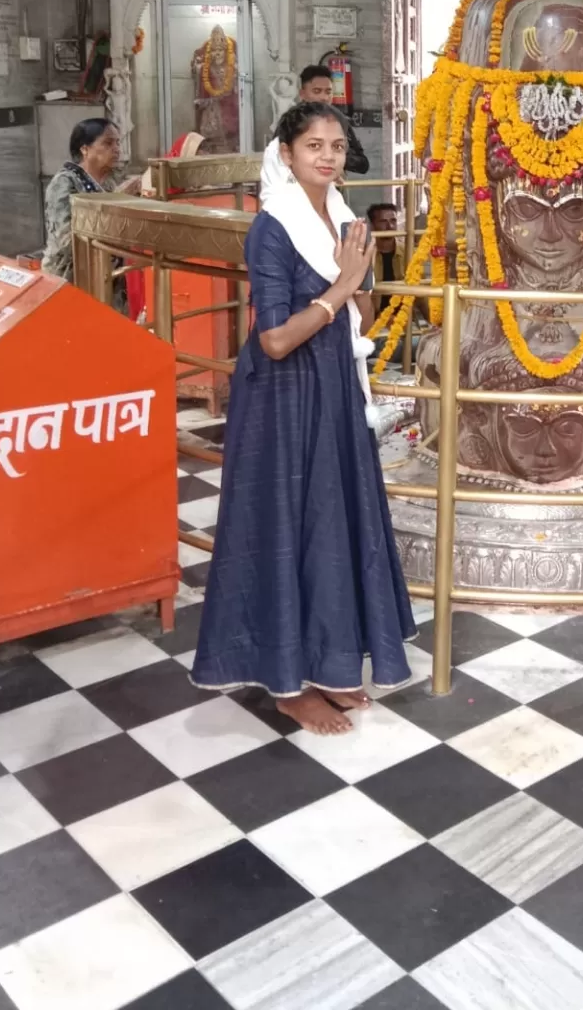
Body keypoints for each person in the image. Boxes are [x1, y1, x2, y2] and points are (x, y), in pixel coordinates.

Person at [191, 101, 415, 733]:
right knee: (289, 527)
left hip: (334, 388)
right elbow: (273, 340)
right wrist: (343, 286)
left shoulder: (344, 220)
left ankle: (325, 666)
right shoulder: (273, 226)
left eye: (337, 146)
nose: (327, 155)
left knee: (330, 526)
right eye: (313, 145)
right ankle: (287, 684)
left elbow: (363, 322)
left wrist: (359, 281)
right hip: (283, 399)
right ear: (287, 155)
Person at [42, 117, 139, 310]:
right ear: (84, 149)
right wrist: (117, 201)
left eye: (118, 142)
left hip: (109, 281)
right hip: (73, 282)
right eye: (108, 143)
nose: (117, 148)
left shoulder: (108, 183)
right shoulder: (64, 184)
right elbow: (68, 242)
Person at [259, 64, 368, 201]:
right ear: (302, 94)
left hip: (333, 193)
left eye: (328, 92)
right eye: (317, 91)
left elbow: (363, 164)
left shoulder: (339, 121)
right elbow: (278, 159)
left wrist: (337, 160)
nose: (323, 97)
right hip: (298, 194)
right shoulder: (291, 121)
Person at [367, 201, 401, 285]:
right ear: (372, 225)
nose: (390, 226)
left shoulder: (408, 252)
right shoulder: (365, 255)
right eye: (383, 221)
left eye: (393, 221)